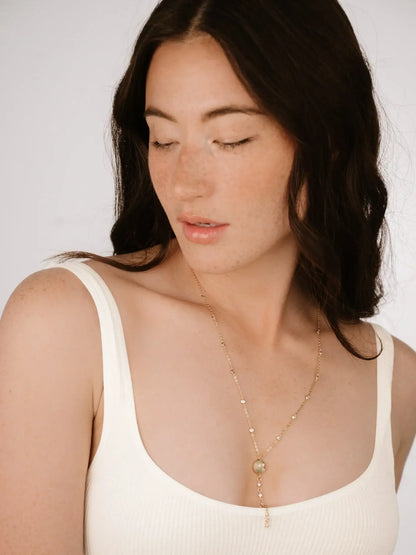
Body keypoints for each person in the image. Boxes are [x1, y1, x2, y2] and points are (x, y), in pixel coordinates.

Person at [1, 0, 415, 553]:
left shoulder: (394, 379)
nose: (183, 183)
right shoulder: (64, 326)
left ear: (330, 144)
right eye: (163, 139)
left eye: (231, 139)